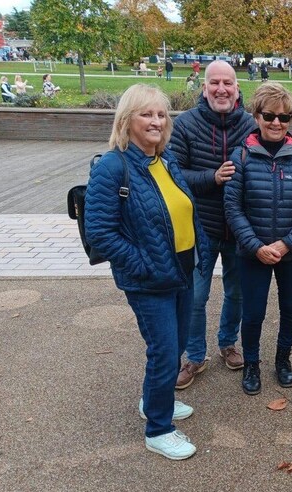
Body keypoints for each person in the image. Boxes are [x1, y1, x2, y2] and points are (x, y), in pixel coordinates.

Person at [85, 84, 208, 460]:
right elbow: (99, 233)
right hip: (149, 279)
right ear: (127, 120)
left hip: (182, 271)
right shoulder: (113, 166)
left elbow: (183, 209)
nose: (156, 121)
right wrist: (143, 264)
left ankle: (156, 401)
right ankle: (158, 428)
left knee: (174, 346)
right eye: (146, 114)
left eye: (160, 114)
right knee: (164, 352)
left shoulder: (164, 160)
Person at [225, 83, 292, 395]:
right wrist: (256, 246)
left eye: (285, 117)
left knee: (290, 308)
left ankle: (283, 359)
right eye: (270, 116)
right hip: (253, 252)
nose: (277, 123)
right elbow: (233, 208)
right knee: (253, 312)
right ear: (256, 116)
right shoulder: (241, 157)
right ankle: (251, 362)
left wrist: (286, 243)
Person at [169, 61, 256, 389]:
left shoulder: (249, 124)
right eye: (214, 83)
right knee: (195, 296)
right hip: (200, 227)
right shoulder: (186, 125)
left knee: (236, 292)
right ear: (204, 88)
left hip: (238, 228)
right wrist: (212, 177)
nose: (221, 89)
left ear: (236, 88)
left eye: (228, 83)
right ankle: (194, 356)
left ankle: (227, 342)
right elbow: (174, 174)